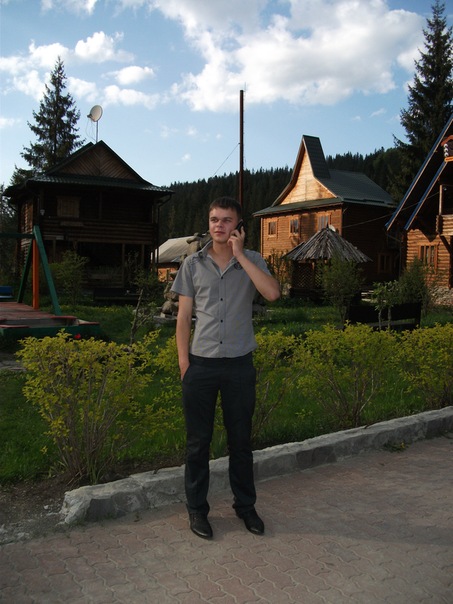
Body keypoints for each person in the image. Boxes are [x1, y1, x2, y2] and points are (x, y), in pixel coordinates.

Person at [171, 196, 281, 539]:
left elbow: (273, 294)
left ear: (239, 226)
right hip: (201, 366)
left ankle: (245, 507)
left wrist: (240, 256)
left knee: (241, 442)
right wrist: (184, 363)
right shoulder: (193, 264)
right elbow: (183, 318)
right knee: (198, 444)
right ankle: (197, 510)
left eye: (227, 220)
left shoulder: (253, 260)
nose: (219, 225)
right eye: (214, 219)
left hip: (238, 366)